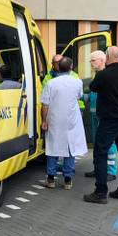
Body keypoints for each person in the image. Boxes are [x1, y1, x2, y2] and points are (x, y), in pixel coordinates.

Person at [83, 46, 118, 204]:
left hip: (110, 120)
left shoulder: (104, 74)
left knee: (100, 151)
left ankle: (100, 191)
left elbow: (93, 87)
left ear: (107, 56)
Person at [40, 57, 87, 190]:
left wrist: (44, 120)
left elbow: (45, 105)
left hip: (54, 119)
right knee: (70, 148)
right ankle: (67, 179)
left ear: (58, 68)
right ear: (71, 68)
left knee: (52, 148)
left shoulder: (51, 83)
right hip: (71, 119)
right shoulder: (77, 82)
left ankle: (50, 179)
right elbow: (79, 96)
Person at [83, 50, 118, 182]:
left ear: (102, 60)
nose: (91, 63)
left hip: (104, 116)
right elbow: (93, 96)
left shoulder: (105, 76)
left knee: (109, 144)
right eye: (90, 60)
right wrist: (80, 96)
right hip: (95, 115)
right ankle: (99, 168)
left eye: (93, 60)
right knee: (98, 144)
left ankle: (111, 171)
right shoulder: (98, 75)